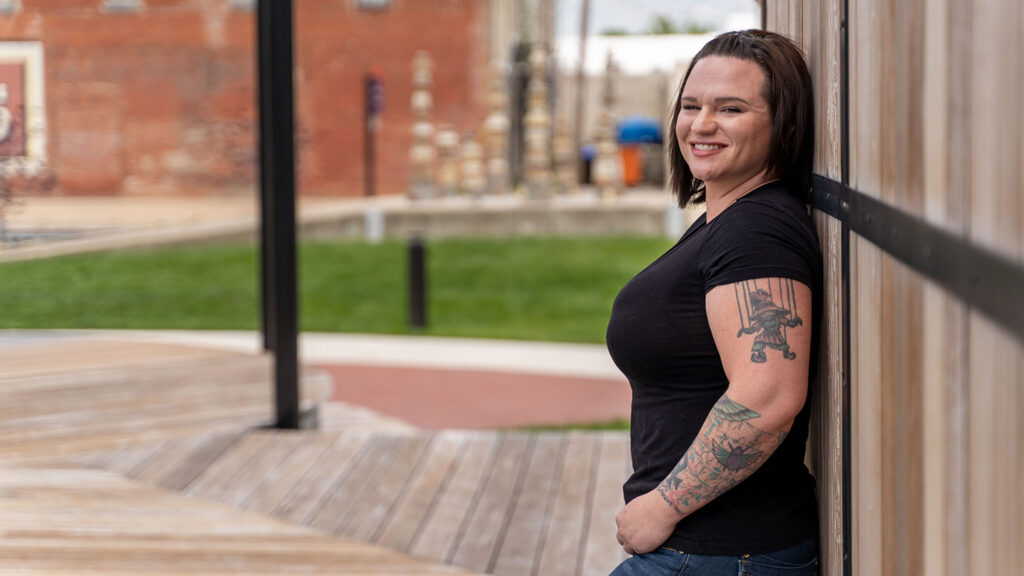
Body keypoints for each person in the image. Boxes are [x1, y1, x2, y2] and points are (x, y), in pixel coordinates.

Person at [604, 29, 822, 576]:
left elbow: (767, 396)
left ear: (784, 124)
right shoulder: (729, 220)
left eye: (731, 108)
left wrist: (662, 506)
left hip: (719, 555)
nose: (701, 125)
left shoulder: (756, 233)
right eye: (691, 106)